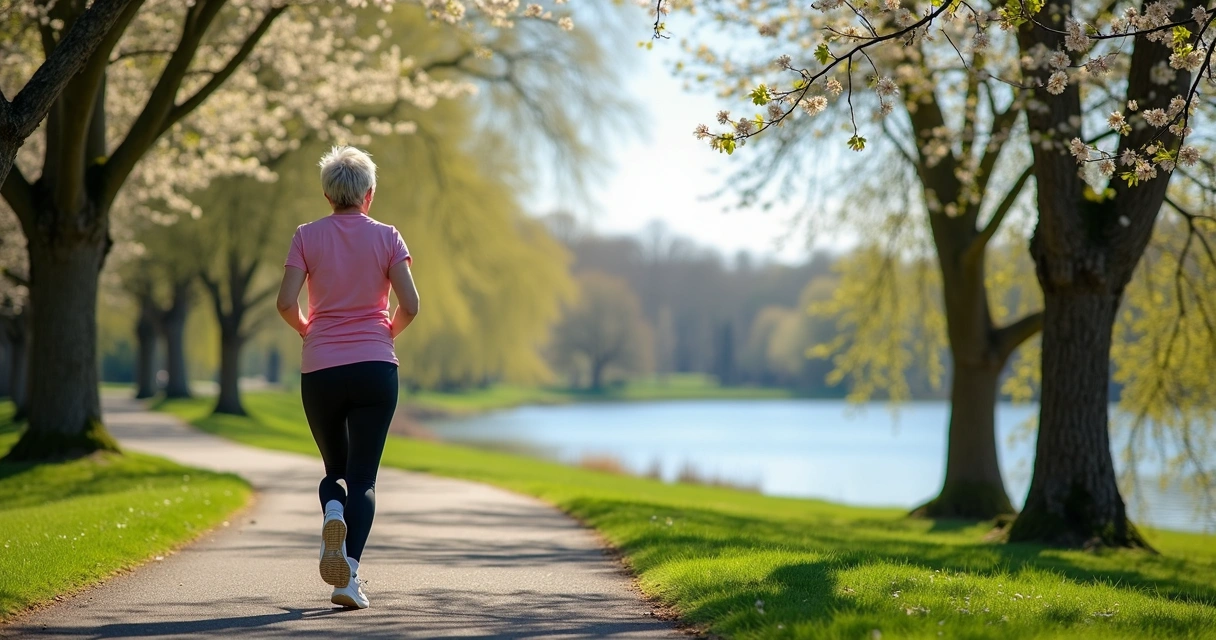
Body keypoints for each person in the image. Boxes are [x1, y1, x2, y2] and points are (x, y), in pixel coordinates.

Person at [276, 145, 420, 609]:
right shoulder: (388, 237)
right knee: (364, 478)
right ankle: (348, 576)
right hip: (375, 368)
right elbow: (411, 305)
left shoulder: (306, 236)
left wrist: (306, 330)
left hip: (320, 368)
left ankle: (331, 511)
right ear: (369, 195)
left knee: (334, 472)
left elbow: (284, 301)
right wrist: (385, 336)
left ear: (326, 194)